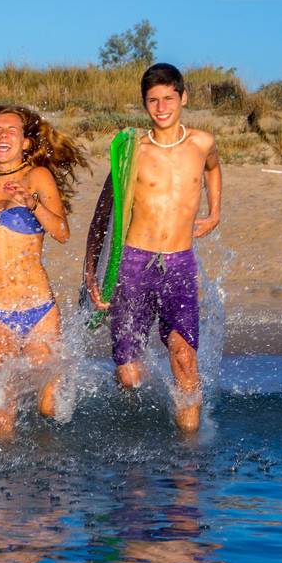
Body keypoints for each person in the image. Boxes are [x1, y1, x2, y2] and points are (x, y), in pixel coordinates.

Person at [84, 62, 222, 433]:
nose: (161, 107)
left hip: (179, 264)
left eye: (168, 99)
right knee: (130, 375)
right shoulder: (132, 151)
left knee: (184, 358)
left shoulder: (202, 142)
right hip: (133, 264)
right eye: (153, 100)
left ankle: (190, 458)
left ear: (183, 97)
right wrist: (91, 273)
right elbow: (102, 217)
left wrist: (215, 212)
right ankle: (129, 417)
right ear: (145, 104)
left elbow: (212, 167)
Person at [0, 105, 86, 438]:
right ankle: (1, 488)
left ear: (25, 142)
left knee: (46, 409)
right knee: (0, 411)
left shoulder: (37, 177)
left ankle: (45, 478)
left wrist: (33, 205)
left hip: (37, 310)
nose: (4, 135)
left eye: (12, 130)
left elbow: (62, 232)